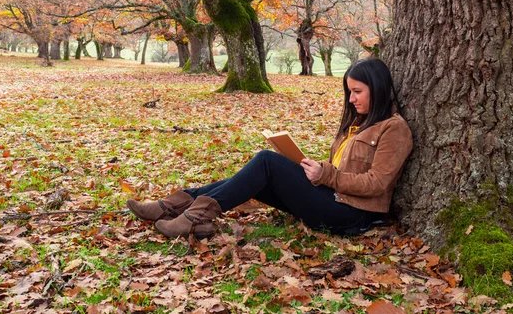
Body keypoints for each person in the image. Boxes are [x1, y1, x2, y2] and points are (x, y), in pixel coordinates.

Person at [126, 58, 413, 239]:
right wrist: (316, 170)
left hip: (352, 213)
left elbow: (377, 183)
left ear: (377, 88)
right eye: (349, 92)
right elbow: (340, 170)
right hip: (332, 198)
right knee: (255, 178)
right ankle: (176, 207)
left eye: (357, 91)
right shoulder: (357, 124)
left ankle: (193, 216)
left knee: (266, 162)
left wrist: (326, 175)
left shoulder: (393, 128)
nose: (351, 99)